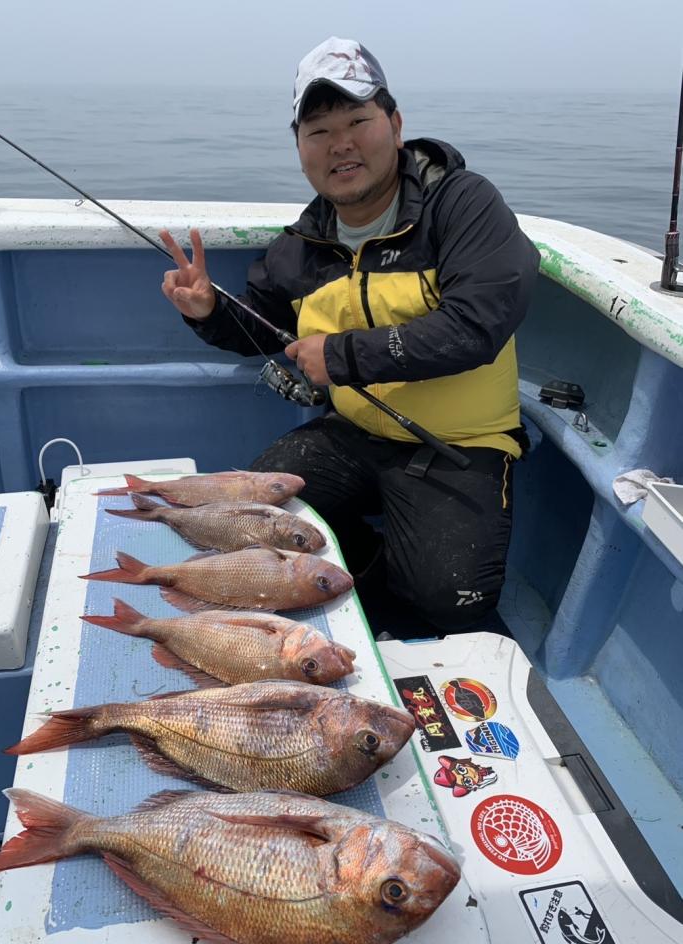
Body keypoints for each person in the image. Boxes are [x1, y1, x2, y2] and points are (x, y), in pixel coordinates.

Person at [160, 36, 540, 638]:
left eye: (358, 122)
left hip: (460, 444)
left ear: (395, 125)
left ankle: (389, 581)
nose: (340, 144)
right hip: (351, 434)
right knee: (254, 521)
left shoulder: (460, 205)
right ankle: (361, 571)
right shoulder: (302, 244)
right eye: (318, 131)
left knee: (450, 599)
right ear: (300, 149)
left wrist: (340, 355)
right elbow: (261, 326)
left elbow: (477, 325)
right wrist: (207, 310)